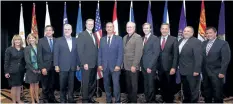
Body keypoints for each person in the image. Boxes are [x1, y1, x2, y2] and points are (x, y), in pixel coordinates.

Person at [202, 27, 231, 103]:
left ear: (215, 33)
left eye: (210, 33)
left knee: (217, 95)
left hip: (217, 73)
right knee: (207, 94)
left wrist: (222, 72)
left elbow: (226, 59)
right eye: (207, 33)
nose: (208, 35)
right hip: (205, 73)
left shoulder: (223, 43)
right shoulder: (203, 43)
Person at [54, 24, 80, 103]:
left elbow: (77, 53)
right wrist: (56, 65)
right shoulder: (58, 40)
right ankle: (63, 99)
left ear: (71, 31)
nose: (67, 31)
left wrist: (78, 64)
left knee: (71, 85)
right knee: (62, 85)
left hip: (72, 66)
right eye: (65, 29)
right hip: (62, 67)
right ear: (63, 30)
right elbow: (56, 54)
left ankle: (71, 99)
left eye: (68, 29)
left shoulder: (76, 40)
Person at [98, 22, 123, 103]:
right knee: (106, 85)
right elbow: (100, 53)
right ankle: (108, 100)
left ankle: (117, 100)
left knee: (116, 85)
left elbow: (120, 53)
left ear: (113, 28)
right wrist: (99, 64)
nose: (109, 28)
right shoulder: (102, 39)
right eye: (107, 27)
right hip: (104, 67)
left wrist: (118, 65)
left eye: (110, 27)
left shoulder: (119, 39)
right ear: (105, 28)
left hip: (115, 67)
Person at [178, 26, 202, 103]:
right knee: (185, 89)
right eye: (185, 31)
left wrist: (197, 70)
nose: (186, 32)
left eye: (188, 31)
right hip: (182, 70)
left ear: (192, 33)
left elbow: (198, 57)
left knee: (194, 90)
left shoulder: (196, 42)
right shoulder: (180, 40)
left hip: (192, 71)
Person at [77, 19, 98, 103]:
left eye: (92, 24)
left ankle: (90, 98)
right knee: (86, 82)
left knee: (92, 82)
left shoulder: (94, 35)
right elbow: (80, 50)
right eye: (89, 24)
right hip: (86, 64)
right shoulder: (82, 35)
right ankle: (85, 100)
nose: (90, 25)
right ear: (85, 25)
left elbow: (95, 50)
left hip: (94, 63)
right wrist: (84, 62)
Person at [158, 23, 179, 103]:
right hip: (160, 68)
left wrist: (174, 67)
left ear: (168, 30)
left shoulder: (173, 39)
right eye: (162, 28)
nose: (164, 30)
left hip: (170, 68)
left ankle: (169, 101)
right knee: (162, 85)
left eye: (166, 28)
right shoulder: (158, 38)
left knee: (170, 86)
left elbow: (176, 55)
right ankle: (164, 100)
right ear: (160, 30)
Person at [123, 22, 143, 103]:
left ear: (134, 28)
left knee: (134, 85)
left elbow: (138, 53)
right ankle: (129, 99)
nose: (129, 28)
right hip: (126, 65)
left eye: (130, 27)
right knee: (128, 85)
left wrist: (134, 65)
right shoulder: (124, 37)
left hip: (133, 66)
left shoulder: (138, 37)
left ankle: (134, 101)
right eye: (127, 27)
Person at [141, 23, 160, 103]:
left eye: (147, 28)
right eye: (144, 28)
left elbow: (156, 54)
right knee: (146, 84)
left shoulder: (155, 38)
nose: (145, 29)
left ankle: (151, 100)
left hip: (150, 66)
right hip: (143, 66)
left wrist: (150, 66)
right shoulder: (142, 38)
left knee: (151, 84)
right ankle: (147, 99)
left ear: (150, 29)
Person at [38, 25, 58, 103]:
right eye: (47, 30)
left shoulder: (57, 40)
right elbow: (39, 56)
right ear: (45, 32)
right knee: (45, 85)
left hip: (55, 66)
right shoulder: (41, 41)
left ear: (53, 32)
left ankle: (52, 98)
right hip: (45, 67)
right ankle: (45, 99)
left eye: (50, 30)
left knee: (52, 84)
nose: (48, 31)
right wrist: (42, 67)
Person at [4, 35, 25, 103]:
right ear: (13, 41)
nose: (17, 41)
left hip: (21, 71)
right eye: (16, 40)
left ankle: (18, 100)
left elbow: (24, 60)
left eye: (19, 40)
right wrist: (6, 72)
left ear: (21, 41)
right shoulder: (9, 49)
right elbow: (6, 61)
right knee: (14, 86)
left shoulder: (23, 49)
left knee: (19, 86)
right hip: (12, 71)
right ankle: (13, 101)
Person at [24, 33, 40, 103]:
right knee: (32, 85)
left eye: (32, 38)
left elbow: (41, 58)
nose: (31, 39)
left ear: (35, 39)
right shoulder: (27, 48)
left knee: (37, 84)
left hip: (38, 69)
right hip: (31, 69)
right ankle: (33, 100)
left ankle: (37, 98)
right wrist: (33, 69)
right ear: (28, 40)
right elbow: (27, 60)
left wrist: (39, 68)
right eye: (29, 38)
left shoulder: (39, 47)